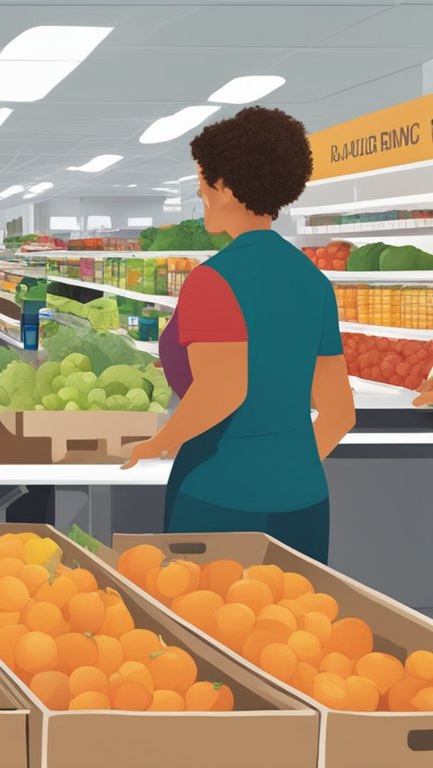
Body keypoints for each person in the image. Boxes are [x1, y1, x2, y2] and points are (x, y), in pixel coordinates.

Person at [124, 107, 356, 564]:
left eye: (203, 181)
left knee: (205, 626)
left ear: (226, 188)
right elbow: (339, 413)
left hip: (218, 496)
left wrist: (160, 441)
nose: (198, 191)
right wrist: (287, 469)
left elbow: (224, 389)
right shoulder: (313, 282)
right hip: (306, 503)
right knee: (299, 629)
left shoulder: (214, 279)